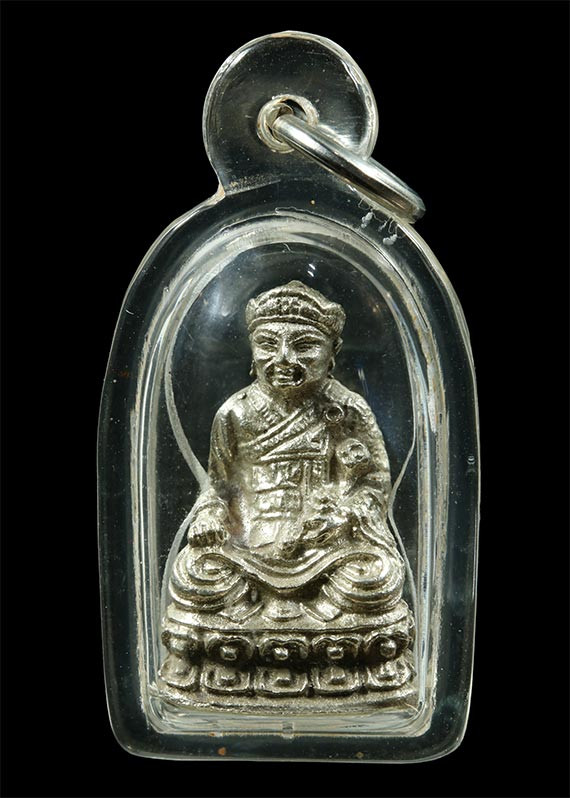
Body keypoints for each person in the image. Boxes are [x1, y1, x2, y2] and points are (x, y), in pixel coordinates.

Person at [160, 281, 413, 700]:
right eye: (267, 344)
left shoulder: (347, 410)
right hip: (248, 550)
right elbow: (219, 488)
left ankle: (271, 635)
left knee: (376, 577)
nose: (283, 359)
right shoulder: (236, 413)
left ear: (332, 352)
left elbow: (372, 484)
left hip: (325, 553)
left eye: (304, 346)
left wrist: (343, 516)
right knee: (196, 575)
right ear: (252, 351)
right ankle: (286, 633)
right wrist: (209, 517)